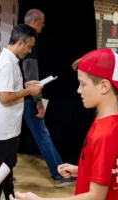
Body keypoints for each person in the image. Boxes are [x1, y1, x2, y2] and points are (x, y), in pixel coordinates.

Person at [9, 48, 118, 200]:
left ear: (104, 86)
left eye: (83, 84)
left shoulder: (105, 134)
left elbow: (96, 196)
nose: (78, 90)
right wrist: (81, 170)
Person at [19, 8, 74, 187]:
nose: (44, 25)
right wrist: (39, 103)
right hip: (28, 98)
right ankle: (59, 175)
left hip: (22, 97)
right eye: (42, 22)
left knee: (42, 136)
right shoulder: (30, 42)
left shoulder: (20, 39)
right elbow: (31, 76)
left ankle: (61, 172)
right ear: (35, 22)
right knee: (43, 137)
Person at [0, 24, 43, 200]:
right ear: (20, 42)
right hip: (5, 128)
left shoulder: (11, 61)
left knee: (8, 167)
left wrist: (26, 86)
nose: (29, 51)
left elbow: (10, 89)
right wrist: (28, 92)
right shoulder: (6, 63)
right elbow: (4, 97)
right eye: (29, 46)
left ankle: (10, 195)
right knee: (1, 170)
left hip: (11, 125)